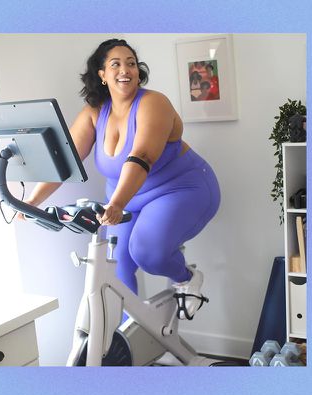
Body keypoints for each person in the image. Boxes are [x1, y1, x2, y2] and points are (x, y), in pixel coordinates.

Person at [19, 39, 221, 320]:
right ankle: (130, 345)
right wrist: (32, 201)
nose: (125, 69)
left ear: (138, 71)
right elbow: (66, 161)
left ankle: (186, 277)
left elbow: (142, 156)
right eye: (115, 64)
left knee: (147, 252)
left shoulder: (154, 103)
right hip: (126, 197)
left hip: (181, 188)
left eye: (131, 63)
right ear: (102, 74)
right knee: (116, 269)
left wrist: (115, 204)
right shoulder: (94, 113)